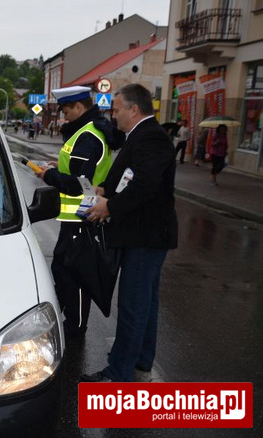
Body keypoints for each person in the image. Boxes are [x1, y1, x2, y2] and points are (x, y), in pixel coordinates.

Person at [82, 83, 178, 382]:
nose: (114, 115)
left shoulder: (151, 137)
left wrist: (109, 207)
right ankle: (141, 359)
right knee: (145, 302)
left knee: (133, 304)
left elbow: (144, 185)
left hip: (145, 236)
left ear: (134, 109)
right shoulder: (141, 135)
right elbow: (130, 176)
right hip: (144, 234)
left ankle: (119, 373)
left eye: (117, 109)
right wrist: (104, 190)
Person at [34, 85, 116, 340]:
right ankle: (67, 322)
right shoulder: (86, 131)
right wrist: (57, 168)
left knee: (75, 275)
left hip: (83, 217)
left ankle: (75, 328)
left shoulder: (87, 136)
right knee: (62, 269)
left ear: (79, 107)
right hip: (76, 218)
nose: (64, 115)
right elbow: (78, 171)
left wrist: (49, 175)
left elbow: (80, 183)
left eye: (66, 110)